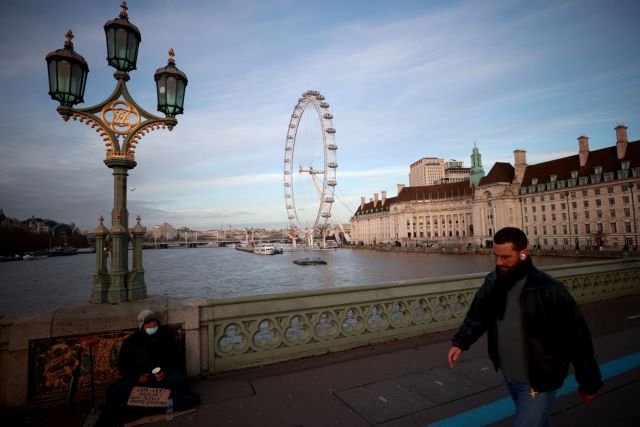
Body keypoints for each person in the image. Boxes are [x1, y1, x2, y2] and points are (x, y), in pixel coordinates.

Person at [447, 227, 602, 426]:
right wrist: (460, 342)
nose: (498, 262)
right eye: (495, 256)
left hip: (537, 380)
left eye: (505, 257)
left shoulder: (548, 289)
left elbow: (577, 337)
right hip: (509, 374)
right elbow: (478, 315)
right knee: (538, 421)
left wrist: (589, 382)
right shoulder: (493, 282)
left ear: (523, 254)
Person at [97, 309, 199, 426]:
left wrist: (165, 370)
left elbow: (175, 357)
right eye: (148, 323)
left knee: (180, 380)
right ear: (141, 325)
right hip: (142, 381)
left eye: (154, 321)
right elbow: (123, 366)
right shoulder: (131, 342)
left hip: (162, 378)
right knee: (116, 391)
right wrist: (137, 376)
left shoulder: (166, 336)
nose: (152, 325)